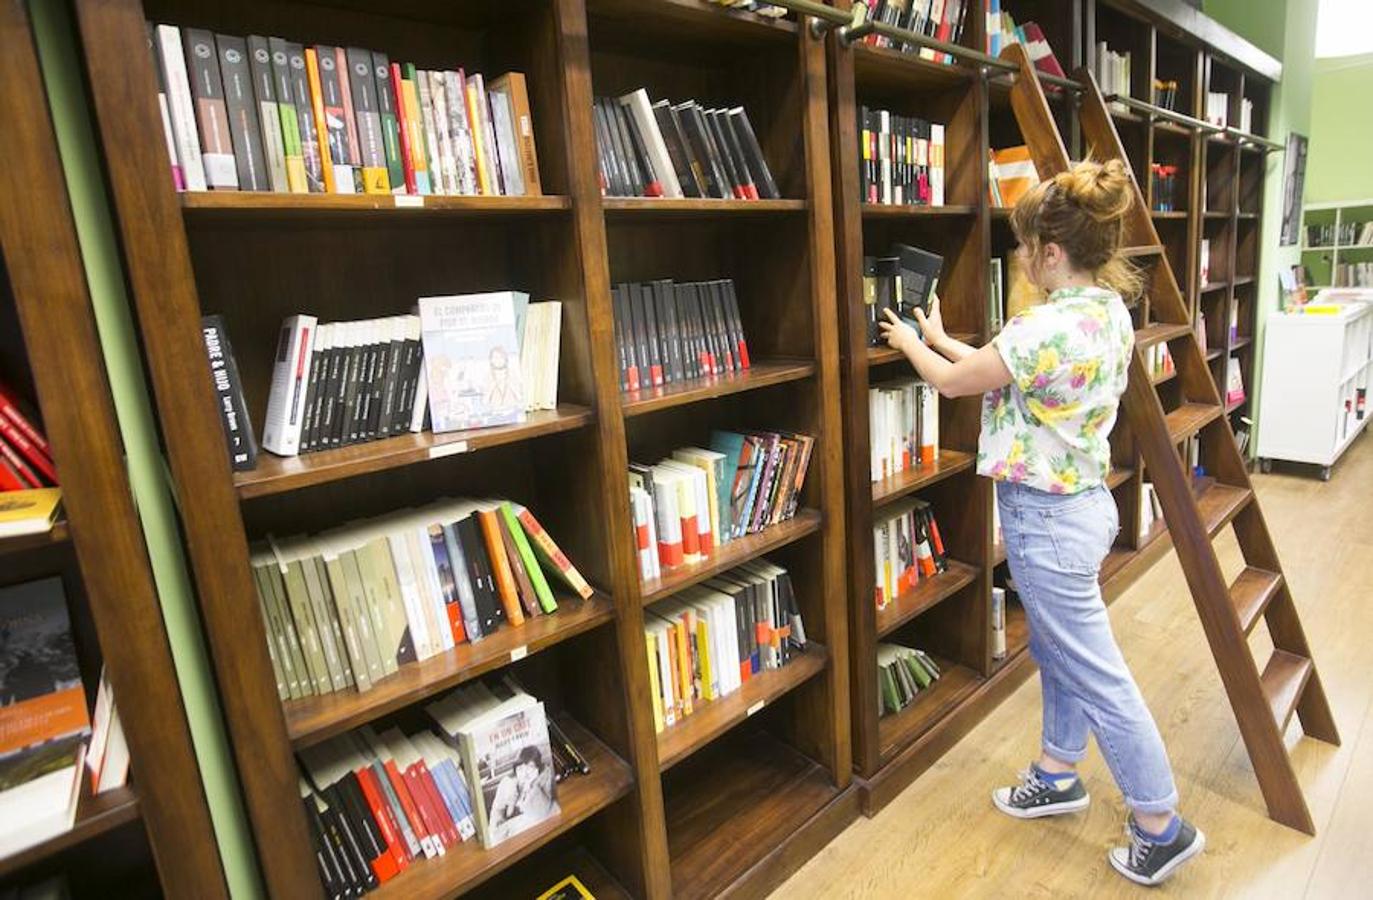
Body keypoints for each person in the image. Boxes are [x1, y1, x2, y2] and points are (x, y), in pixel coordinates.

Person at [878, 158, 1204, 886]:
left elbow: (957, 383)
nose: (1021, 261)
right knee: (1060, 654)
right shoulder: (1102, 315)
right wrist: (936, 331)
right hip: (1082, 507)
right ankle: (1058, 771)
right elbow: (1001, 367)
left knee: (1094, 671)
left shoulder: (1039, 328)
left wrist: (909, 345)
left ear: (1050, 254)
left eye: (1025, 250)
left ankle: (1158, 822)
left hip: (1045, 521)